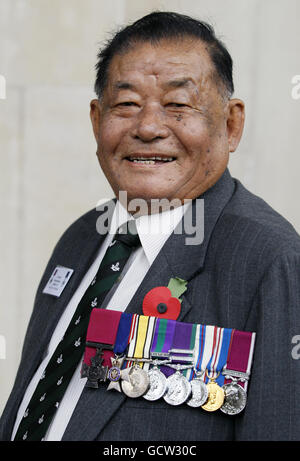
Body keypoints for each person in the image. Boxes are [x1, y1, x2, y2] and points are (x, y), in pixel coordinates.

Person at [1, 11, 300, 442]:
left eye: (178, 105)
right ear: (95, 120)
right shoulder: (82, 236)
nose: (147, 127)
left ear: (231, 125)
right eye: (126, 105)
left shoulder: (270, 259)